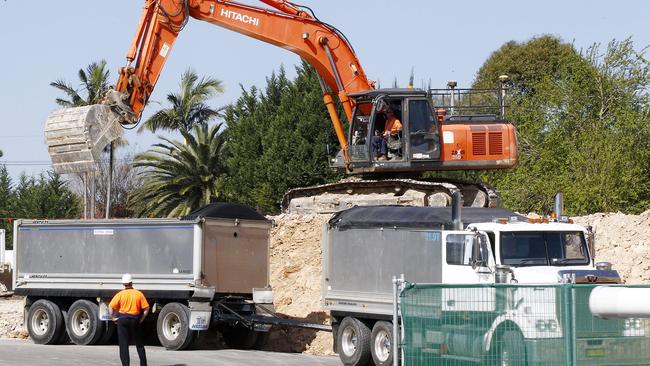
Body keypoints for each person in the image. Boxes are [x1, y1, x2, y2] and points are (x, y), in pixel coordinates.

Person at [110, 273, 150, 366]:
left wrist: (113, 318)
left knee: (123, 345)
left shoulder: (120, 294)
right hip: (135, 320)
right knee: (139, 344)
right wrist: (142, 319)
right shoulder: (138, 294)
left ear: (123, 284)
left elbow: (111, 307)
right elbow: (146, 308)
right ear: (132, 282)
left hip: (122, 320)